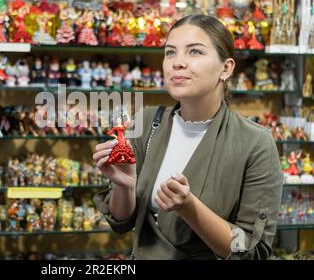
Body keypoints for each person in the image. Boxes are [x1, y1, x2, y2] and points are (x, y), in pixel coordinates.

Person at [93, 15, 283, 260]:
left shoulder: (255, 142)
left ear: (226, 68)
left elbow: (251, 252)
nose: (177, 63)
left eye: (194, 52)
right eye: (170, 53)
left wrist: (189, 208)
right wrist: (124, 186)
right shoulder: (146, 122)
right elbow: (121, 222)